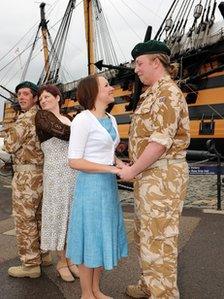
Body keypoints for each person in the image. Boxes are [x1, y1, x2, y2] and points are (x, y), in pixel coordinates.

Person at [119, 40, 190, 298]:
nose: (135, 69)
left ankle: (163, 294)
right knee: (146, 236)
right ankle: (149, 285)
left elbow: (160, 142)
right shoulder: (152, 92)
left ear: (156, 62)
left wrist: (131, 170)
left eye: (139, 63)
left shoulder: (167, 93)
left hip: (162, 177)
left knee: (160, 240)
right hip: (150, 176)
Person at [66, 74, 128, 299]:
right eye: (106, 85)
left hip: (108, 187)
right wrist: (113, 169)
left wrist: (122, 166)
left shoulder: (111, 119)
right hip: (90, 187)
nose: (112, 88)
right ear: (93, 92)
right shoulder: (82, 119)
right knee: (90, 237)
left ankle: (95, 290)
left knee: (101, 237)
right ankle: (86, 294)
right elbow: (74, 161)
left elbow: (109, 154)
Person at [3, 81, 52, 278]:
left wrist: (8, 134)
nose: (21, 97)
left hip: (26, 177)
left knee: (25, 220)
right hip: (42, 174)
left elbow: (9, 145)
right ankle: (44, 254)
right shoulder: (43, 116)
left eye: (25, 94)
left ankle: (30, 264)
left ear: (34, 98)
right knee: (39, 217)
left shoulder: (24, 119)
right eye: (19, 94)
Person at [35, 84, 79, 282]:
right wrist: (83, 130)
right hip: (55, 172)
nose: (43, 101)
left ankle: (70, 259)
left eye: (46, 97)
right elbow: (63, 133)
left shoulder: (69, 118)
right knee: (59, 213)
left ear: (58, 98)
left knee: (71, 214)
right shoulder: (42, 117)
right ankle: (61, 261)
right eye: (41, 98)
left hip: (73, 172)